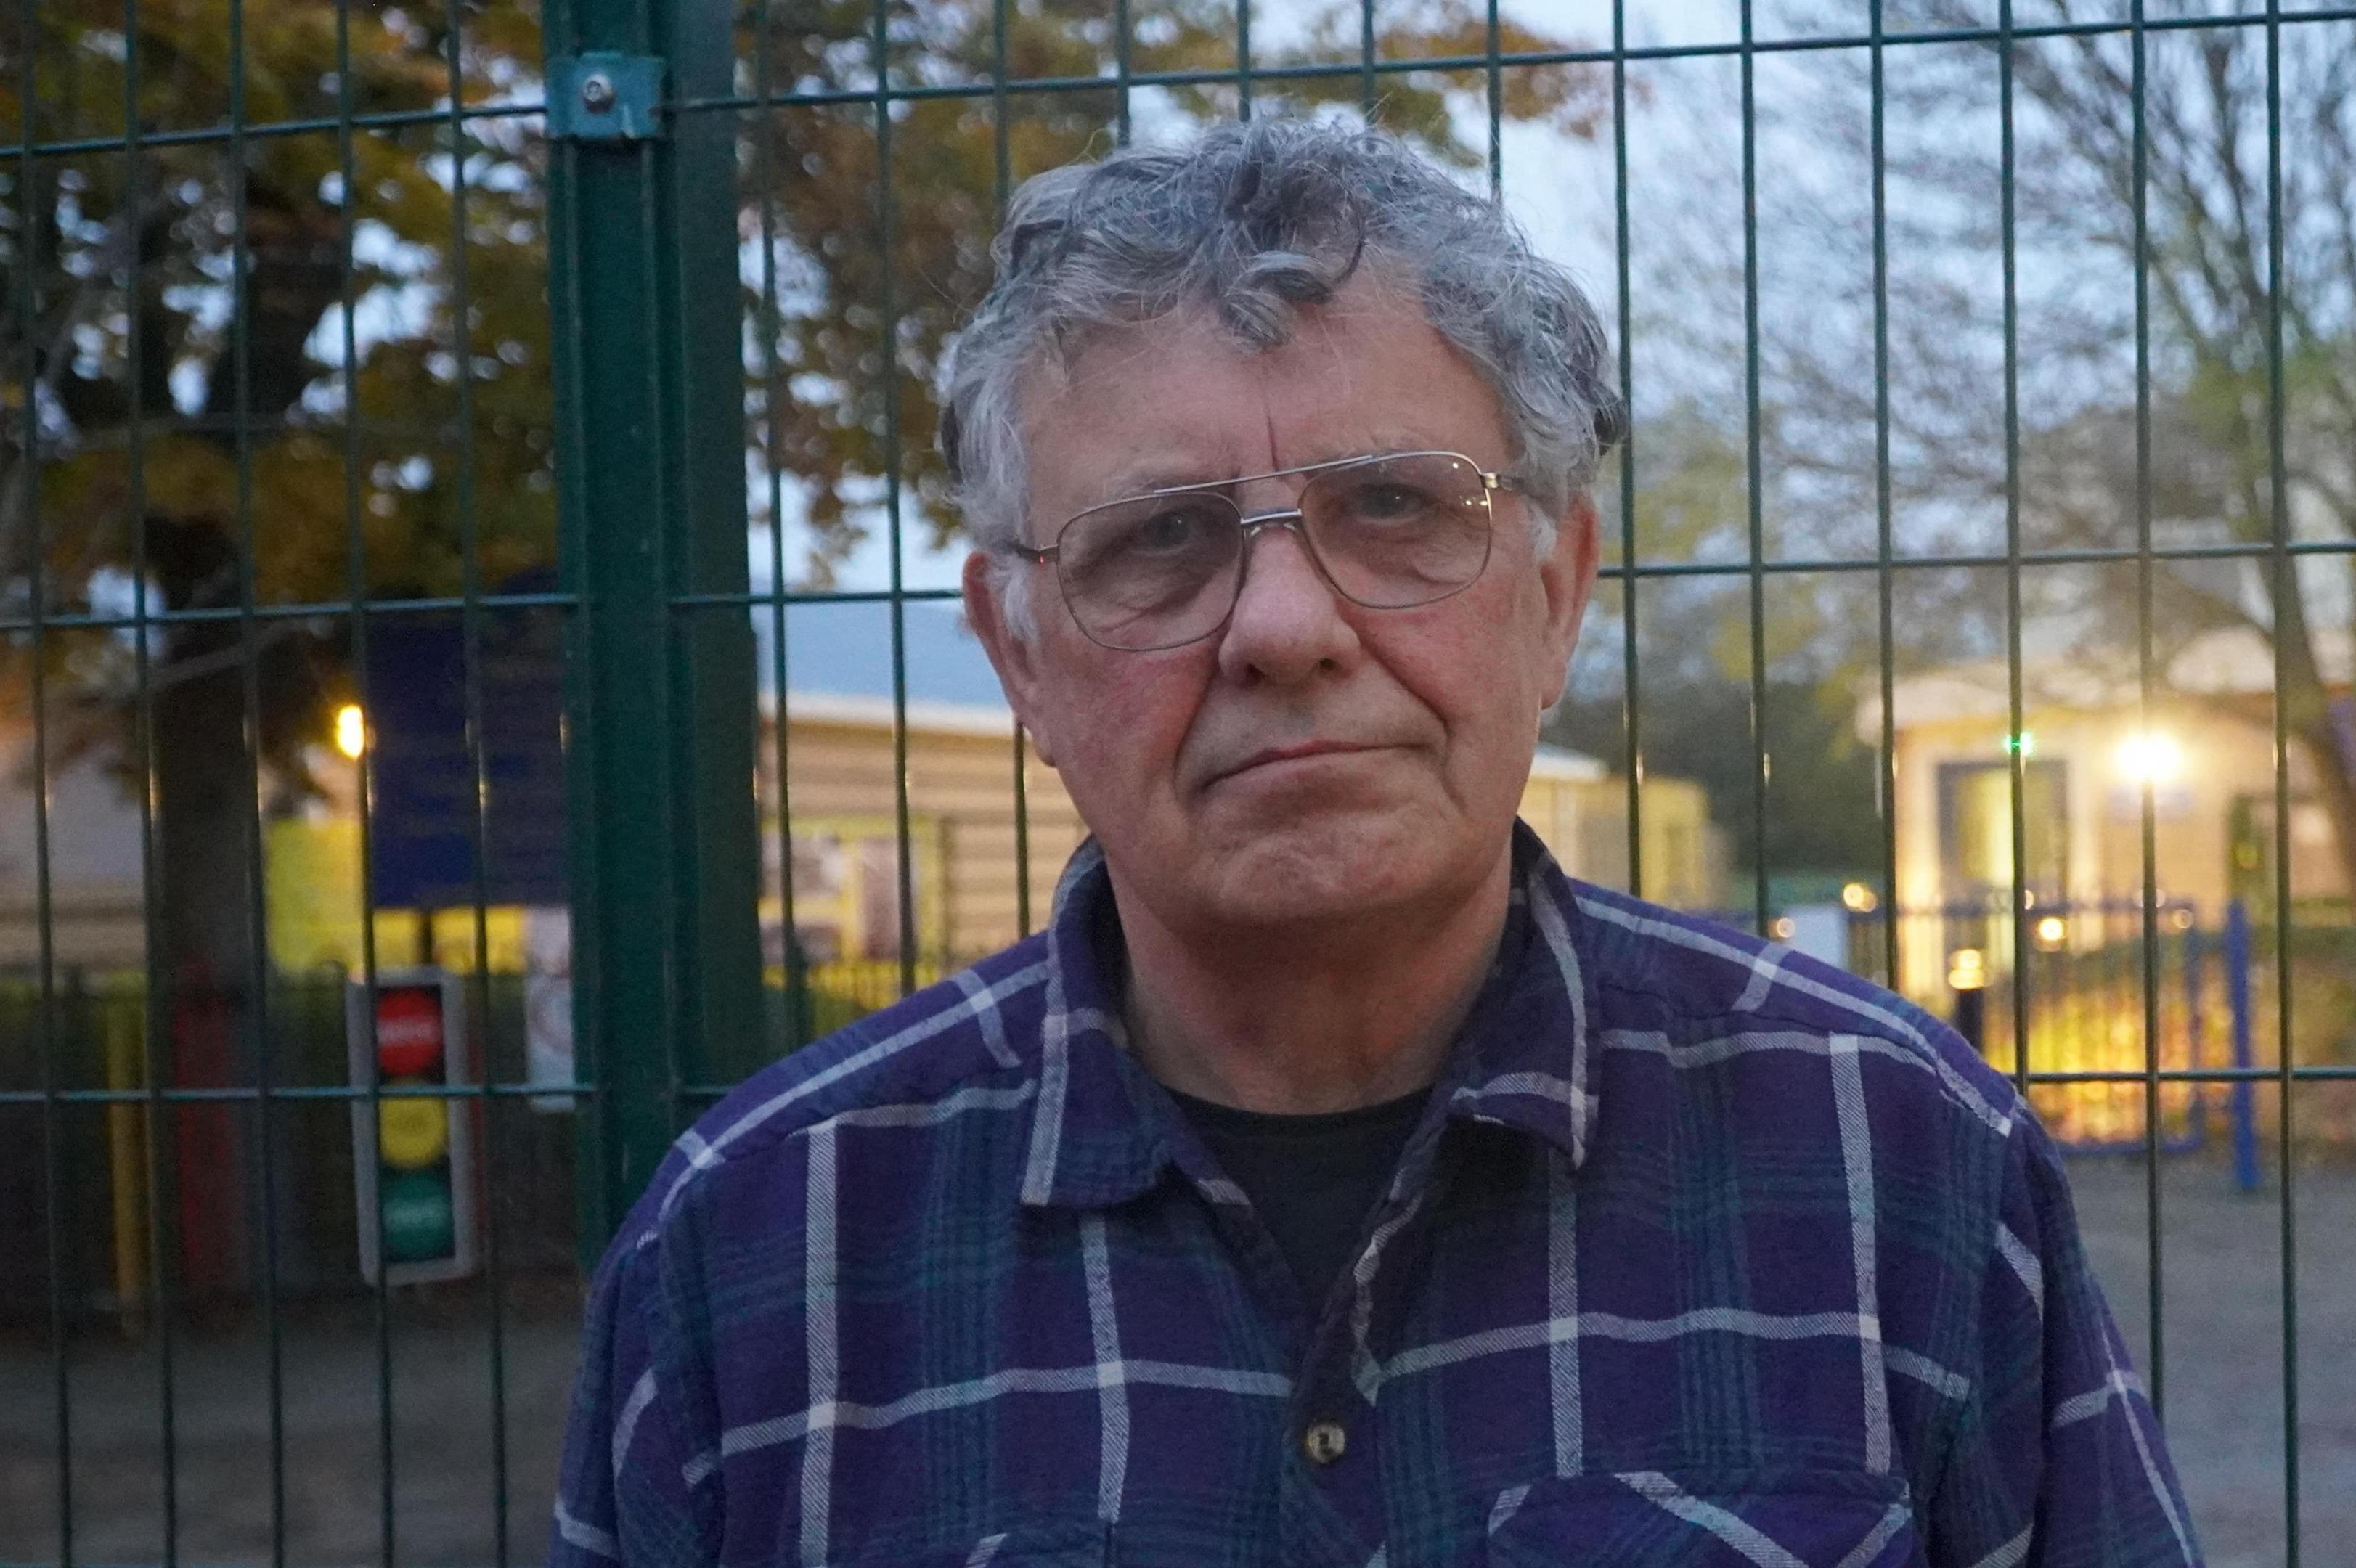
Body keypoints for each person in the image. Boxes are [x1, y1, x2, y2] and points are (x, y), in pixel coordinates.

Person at [550, 116, 2198, 1568]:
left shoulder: (1899, 1162)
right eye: (1162, 542)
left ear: (1557, 595)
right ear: (1019, 657)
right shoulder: (756, 1257)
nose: (1283, 626)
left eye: (1396, 510)